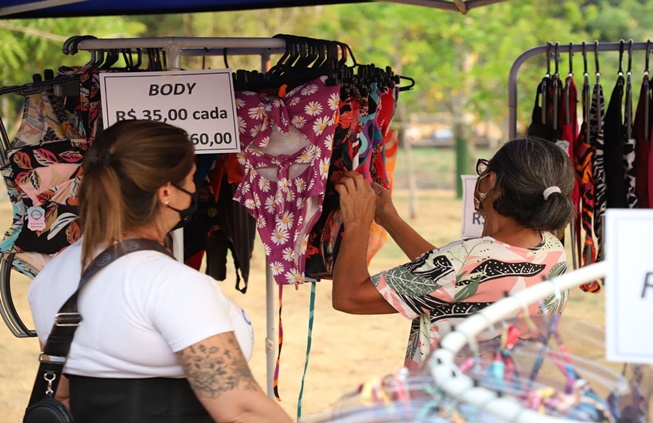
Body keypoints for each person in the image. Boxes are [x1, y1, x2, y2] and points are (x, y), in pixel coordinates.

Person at [28, 120, 291, 423]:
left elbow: (61, 395)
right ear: (166, 191)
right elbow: (241, 411)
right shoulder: (170, 284)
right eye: (193, 178)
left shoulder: (51, 276)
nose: (196, 189)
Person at [331, 136, 575, 370]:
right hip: (510, 400)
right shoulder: (551, 249)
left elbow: (350, 297)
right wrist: (389, 219)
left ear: (489, 181)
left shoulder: (466, 261)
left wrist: (357, 221)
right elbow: (448, 277)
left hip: (447, 405)